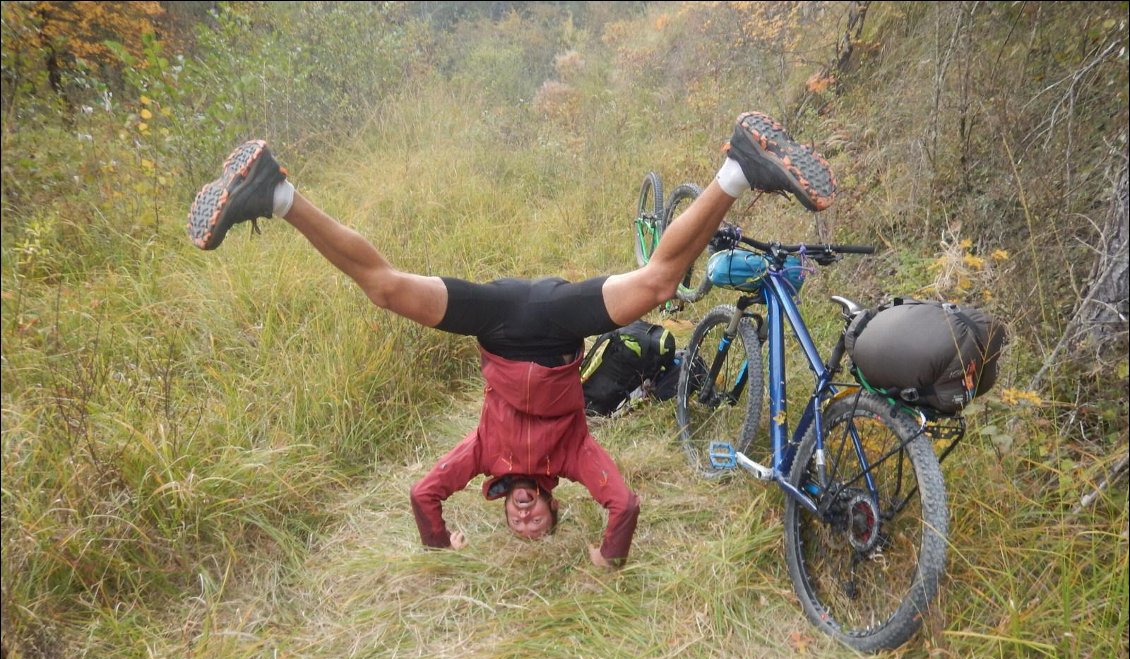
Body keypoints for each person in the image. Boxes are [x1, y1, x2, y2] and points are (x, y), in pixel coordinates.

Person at [187, 112, 836, 568]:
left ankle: (274, 191)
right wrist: (608, 556)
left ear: (502, 507)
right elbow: (626, 504)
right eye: (538, 523)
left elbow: (423, 494)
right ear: (552, 507)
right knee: (659, 283)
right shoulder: (574, 458)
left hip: (497, 320)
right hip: (554, 323)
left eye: (517, 523)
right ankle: (738, 171)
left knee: (385, 288)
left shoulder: (480, 455)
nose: (527, 518)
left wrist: (441, 541)